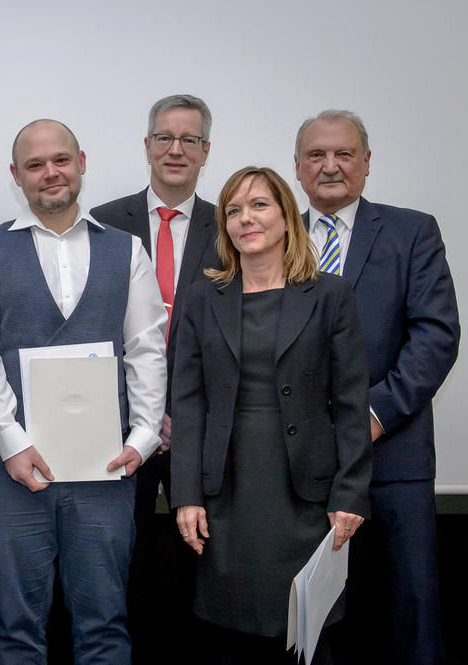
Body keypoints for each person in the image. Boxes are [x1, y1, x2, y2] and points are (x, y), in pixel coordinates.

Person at [0, 119, 168, 664]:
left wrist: (143, 437)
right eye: (35, 164)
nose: (51, 173)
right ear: (15, 176)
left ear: (82, 162)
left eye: (61, 160)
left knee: (105, 627)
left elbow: (145, 349)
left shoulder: (128, 250)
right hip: (12, 472)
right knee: (16, 631)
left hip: (106, 468)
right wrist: (10, 440)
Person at [171, 165, 372, 663]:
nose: (246, 219)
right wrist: (186, 496)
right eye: (233, 211)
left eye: (259, 205)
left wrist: (350, 494)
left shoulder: (330, 295)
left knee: (307, 631)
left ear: (287, 217)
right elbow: (188, 403)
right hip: (227, 494)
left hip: (306, 495)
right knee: (229, 630)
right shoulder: (201, 297)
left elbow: (350, 405)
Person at [294, 110, 460, 665]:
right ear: (297, 168)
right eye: (316, 155)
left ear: (367, 163)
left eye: (344, 153)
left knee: (407, 614)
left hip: (394, 460)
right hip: (300, 468)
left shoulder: (412, 231)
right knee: (318, 624)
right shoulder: (271, 236)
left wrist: (374, 414)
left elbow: (436, 337)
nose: (331, 166)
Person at [90, 94, 219, 660]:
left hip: (206, 427)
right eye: (165, 138)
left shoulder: (231, 225)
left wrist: (179, 414)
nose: (175, 149)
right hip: (121, 429)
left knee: (205, 564)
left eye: (189, 140)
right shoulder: (102, 222)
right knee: (125, 562)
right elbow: (92, 327)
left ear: (205, 152)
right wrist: (143, 415)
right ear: (146, 146)